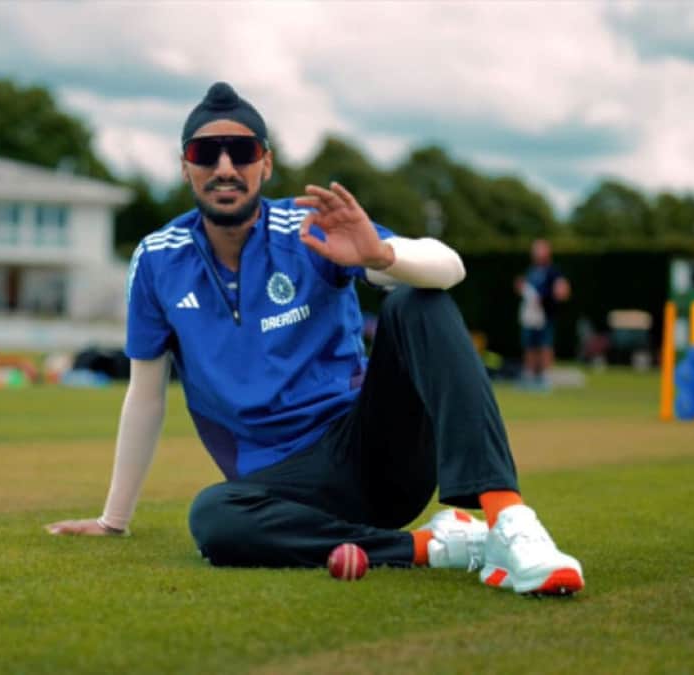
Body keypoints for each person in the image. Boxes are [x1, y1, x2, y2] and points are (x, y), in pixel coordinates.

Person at [46, 82, 583, 596]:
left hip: (373, 453)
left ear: (266, 163)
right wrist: (113, 520)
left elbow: (450, 268)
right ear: (186, 167)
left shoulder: (307, 227)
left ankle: (510, 522)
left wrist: (381, 256)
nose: (225, 167)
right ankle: (436, 547)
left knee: (417, 299)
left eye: (242, 151)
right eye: (206, 153)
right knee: (213, 517)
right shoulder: (157, 259)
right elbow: (145, 394)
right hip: (281, 488)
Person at [515, 239, 571, 389]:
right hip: (530, 315)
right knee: (530, 345)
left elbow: (562, 290)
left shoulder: (553, 271)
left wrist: (553, 296)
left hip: (545, 315)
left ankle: (545, 376)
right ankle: (529, 374)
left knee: (545, 345)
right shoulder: (531, 270)